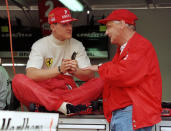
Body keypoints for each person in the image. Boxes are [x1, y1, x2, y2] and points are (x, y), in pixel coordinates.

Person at [12, 7, 103, 115]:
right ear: (53, 26)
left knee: (103, 80)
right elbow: (31, 74)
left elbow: (90, 76)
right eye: (64, 24)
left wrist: (76, 71)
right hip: (43, 90)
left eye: (70, 24)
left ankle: (51, 107)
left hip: (65, 91)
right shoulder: (40, 44)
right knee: (18, 80)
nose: (69, 28)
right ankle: (64, 106)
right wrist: (59, 69)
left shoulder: (77, 45)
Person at [83, 9, 162, 131]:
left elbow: (124, 75)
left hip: (130, 114)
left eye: (109, 27)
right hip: (125, 114)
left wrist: (100, 67)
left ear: (122, 24)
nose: (106, 32)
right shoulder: (124, 49)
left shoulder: (140, 46)